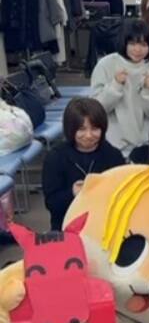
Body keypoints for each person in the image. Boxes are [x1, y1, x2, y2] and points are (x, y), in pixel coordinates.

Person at [41, 97, 124, 230]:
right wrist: (72, 193)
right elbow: (51, 204)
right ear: (70, 129)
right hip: (66, 227)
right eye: (81, 129)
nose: (88, 135)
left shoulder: (113, 156)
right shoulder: (55, 157)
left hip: (105, 227)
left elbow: (122, 197)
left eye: (94, 129)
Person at [90, 19, 149, 159]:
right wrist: (116, 85)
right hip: (112, 142)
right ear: (124, 42)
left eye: (143, 44)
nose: (137, 49)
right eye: (132, 43)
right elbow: (96, 108)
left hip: (143, 142)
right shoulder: (106, 64)